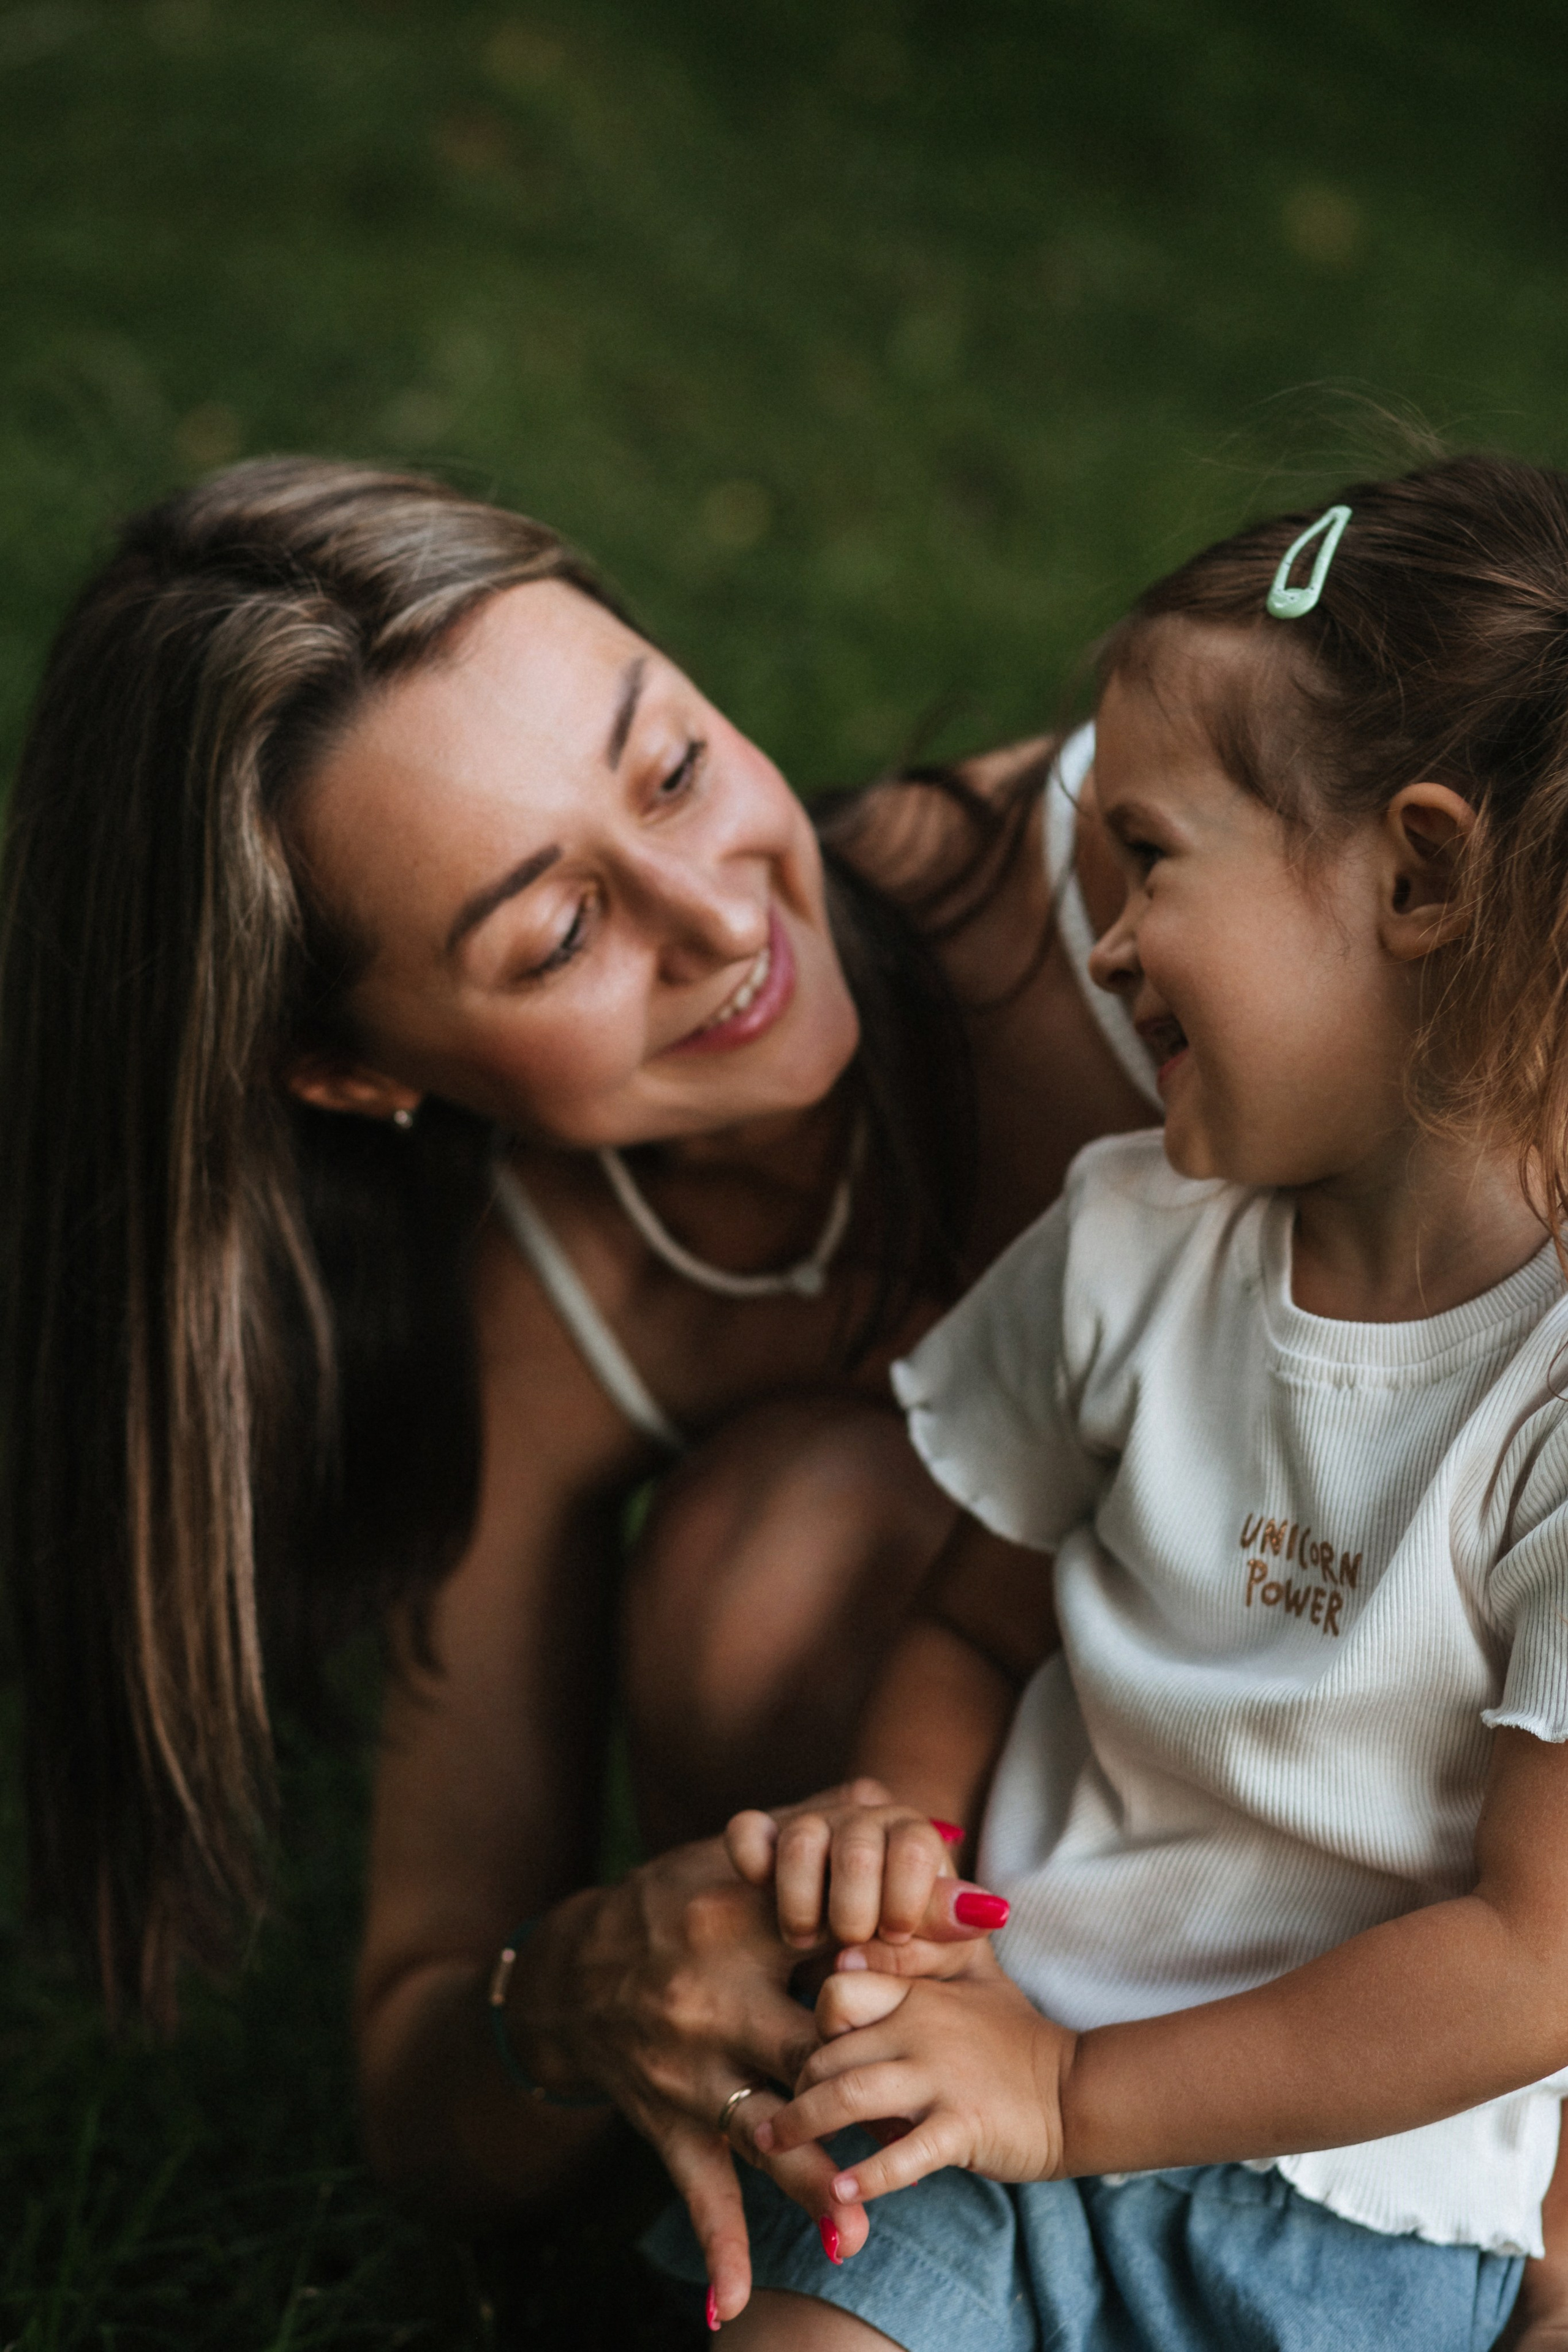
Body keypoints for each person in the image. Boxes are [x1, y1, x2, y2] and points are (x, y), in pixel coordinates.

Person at [0, 459, 1160, 2287]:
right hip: (1110, 1955)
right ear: (353, 1075)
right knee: (766, 1559)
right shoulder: (558, 1311)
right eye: (556, 936)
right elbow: (421, 2075)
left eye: (674, 769)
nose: (717, 920)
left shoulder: (1154, 873)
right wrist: (578, 1993)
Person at [649, 456, 1568, 2348]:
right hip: (980, 2080)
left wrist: (1085, 2102)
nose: (1111, 945)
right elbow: (974, 1629)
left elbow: (1530, 1955)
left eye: (1150, 859)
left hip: (1343, 2209)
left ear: (1419, 877)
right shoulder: (1128, 1242)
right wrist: (900, 1834)